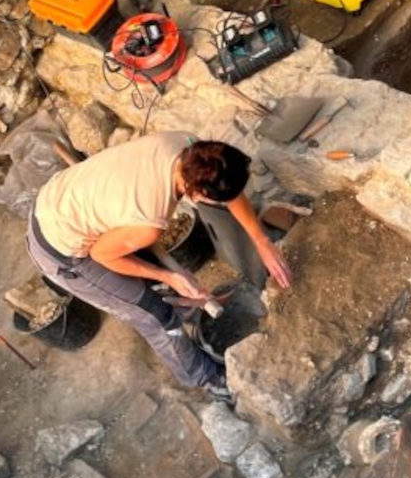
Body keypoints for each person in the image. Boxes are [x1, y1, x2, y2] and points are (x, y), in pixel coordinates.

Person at [26, 132, 290, 395]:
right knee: (152, 314)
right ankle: (206, 378)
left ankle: (191, 310)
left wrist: (261, 240)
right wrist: (167, 276)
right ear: (197, 196)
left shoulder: (191, 149)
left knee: (157, 274)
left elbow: (229, 190)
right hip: (62, 249)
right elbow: (102, 255)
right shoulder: (149, 219)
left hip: (66, 199)